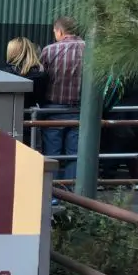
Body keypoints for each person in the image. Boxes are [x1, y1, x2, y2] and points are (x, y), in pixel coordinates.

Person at [38, 16, 85, 181]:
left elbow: (41, 78)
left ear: (60, 31)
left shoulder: (49, 50)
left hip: (53, 109)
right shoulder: (89, 50)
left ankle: (54, 191)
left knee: (52, 153)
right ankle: (72, 193)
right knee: (75, 154)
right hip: (81, 109)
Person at [2, 37, 49, 108]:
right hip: (32, 116)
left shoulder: (2, 74)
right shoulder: (41, 76)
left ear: (10, 52)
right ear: (30, 51)